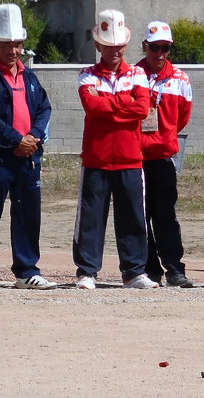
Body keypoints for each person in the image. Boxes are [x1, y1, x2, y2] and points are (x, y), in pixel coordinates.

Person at [0, 3, 56, 291]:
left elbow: (44, 108)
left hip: (29, 159)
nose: (13, 51)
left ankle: (27, 270)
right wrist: (16, 141)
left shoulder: (30, 78)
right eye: (7, 45)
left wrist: (33, 137)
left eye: (17, 45)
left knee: (28, 215)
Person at [72, 9, 155, 289]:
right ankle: (87, 271)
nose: (114, 50)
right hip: (96, 157)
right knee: (91, 217)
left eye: (118, 45)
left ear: (126, 45)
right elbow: (91, 106)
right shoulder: (87, 75)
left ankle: (134, 272)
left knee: (132, 216)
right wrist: (125, 103)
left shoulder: (139, 75)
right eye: (108, 46)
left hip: (130, 158)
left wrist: (109, 104)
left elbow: (142, 108)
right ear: (98, 46)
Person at [136, 20, 195, 288]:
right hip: (135, 159)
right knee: (140, 216)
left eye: (165, 48)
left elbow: (182, 118)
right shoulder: (131, 75)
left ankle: (174, 268)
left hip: (163, 158)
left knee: (166, 216)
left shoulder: (180, 79)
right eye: (154, 47)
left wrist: (164, 135)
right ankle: (149, 270)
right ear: (145, 46)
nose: (160, 53)